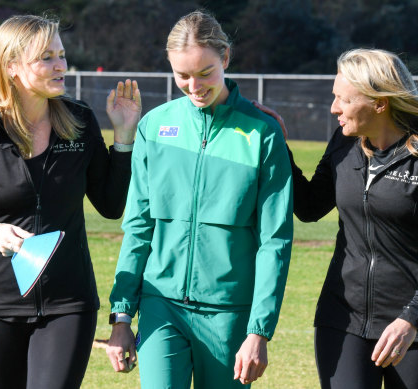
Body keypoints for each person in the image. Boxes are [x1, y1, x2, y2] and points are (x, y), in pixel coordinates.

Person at [0, 15, 141, 389]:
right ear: (11, 67)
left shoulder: (80, 120)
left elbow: (110, 204)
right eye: (46, 57)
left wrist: (123, 138)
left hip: (68, 303)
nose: (61, 65)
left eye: (61, 54)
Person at [255, 48, 418, 389]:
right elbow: (311, 207)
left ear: (379, 103)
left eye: (343, 99)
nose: (334, 108)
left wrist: (411, 319)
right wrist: (280, 147)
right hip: (342, 319)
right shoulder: (344, 143)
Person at [105, 10, 293, 389]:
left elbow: (275, 241)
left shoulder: (263, 133)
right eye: (182, 75)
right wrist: (122, 316)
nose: (194, 85)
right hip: (161, 306)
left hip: (230, 315)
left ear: (225, 59)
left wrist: (259, 330)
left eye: (205, 72)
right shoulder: (154, 127)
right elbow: (138, 226)